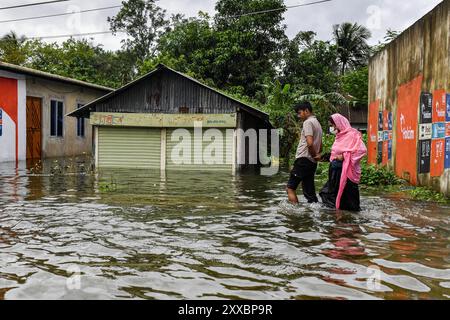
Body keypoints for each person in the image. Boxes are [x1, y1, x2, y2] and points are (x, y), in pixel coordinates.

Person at [319, 114, 367, 211]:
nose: (333, 128)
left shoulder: (352, 135)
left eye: (334, 125)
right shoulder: (339, 136)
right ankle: (338, 215)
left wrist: (344, 156)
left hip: (347, 172)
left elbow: (361, 150)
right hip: (336, 172)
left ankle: (347, 219)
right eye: (332, 126)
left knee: (347, 197)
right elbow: (335, 153)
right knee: (328, 193)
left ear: (339, 123)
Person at [286, 101, 323, 204]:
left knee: (290, 188)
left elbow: (310, 143)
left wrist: (313, 154)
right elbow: (320, 145)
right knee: (310, 193)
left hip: (303, 159)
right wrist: (316, 156)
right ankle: (312, 213)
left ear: (306, 111)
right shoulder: (318, 123)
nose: (298, 115)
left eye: (299, 112)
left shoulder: (308, 122)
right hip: (312, 162)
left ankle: (296, 215)